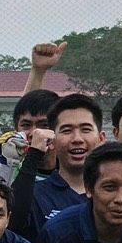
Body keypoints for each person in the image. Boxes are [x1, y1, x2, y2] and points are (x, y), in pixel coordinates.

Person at [30, 93, 107, 226]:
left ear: (101, 139)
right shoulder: (35, 195)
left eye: (86, 129)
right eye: (66, 130)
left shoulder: (117, 194)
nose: (77, 139)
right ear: (52, 141)